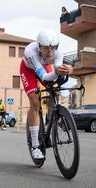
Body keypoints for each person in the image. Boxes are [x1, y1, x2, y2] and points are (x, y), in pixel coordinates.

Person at [19, 29, 73, 159]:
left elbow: (55, 70)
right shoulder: (30, 52)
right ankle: (35, 145)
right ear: (39, 47)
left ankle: (50, 117)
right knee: (35, 102)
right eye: (46, 48)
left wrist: (64, 71)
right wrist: (58, 71)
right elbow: (44, 76)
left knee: (55, 90)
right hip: (28, 70)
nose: (50, 51)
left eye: (53, 48)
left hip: (44, 69)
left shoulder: (58, 52)